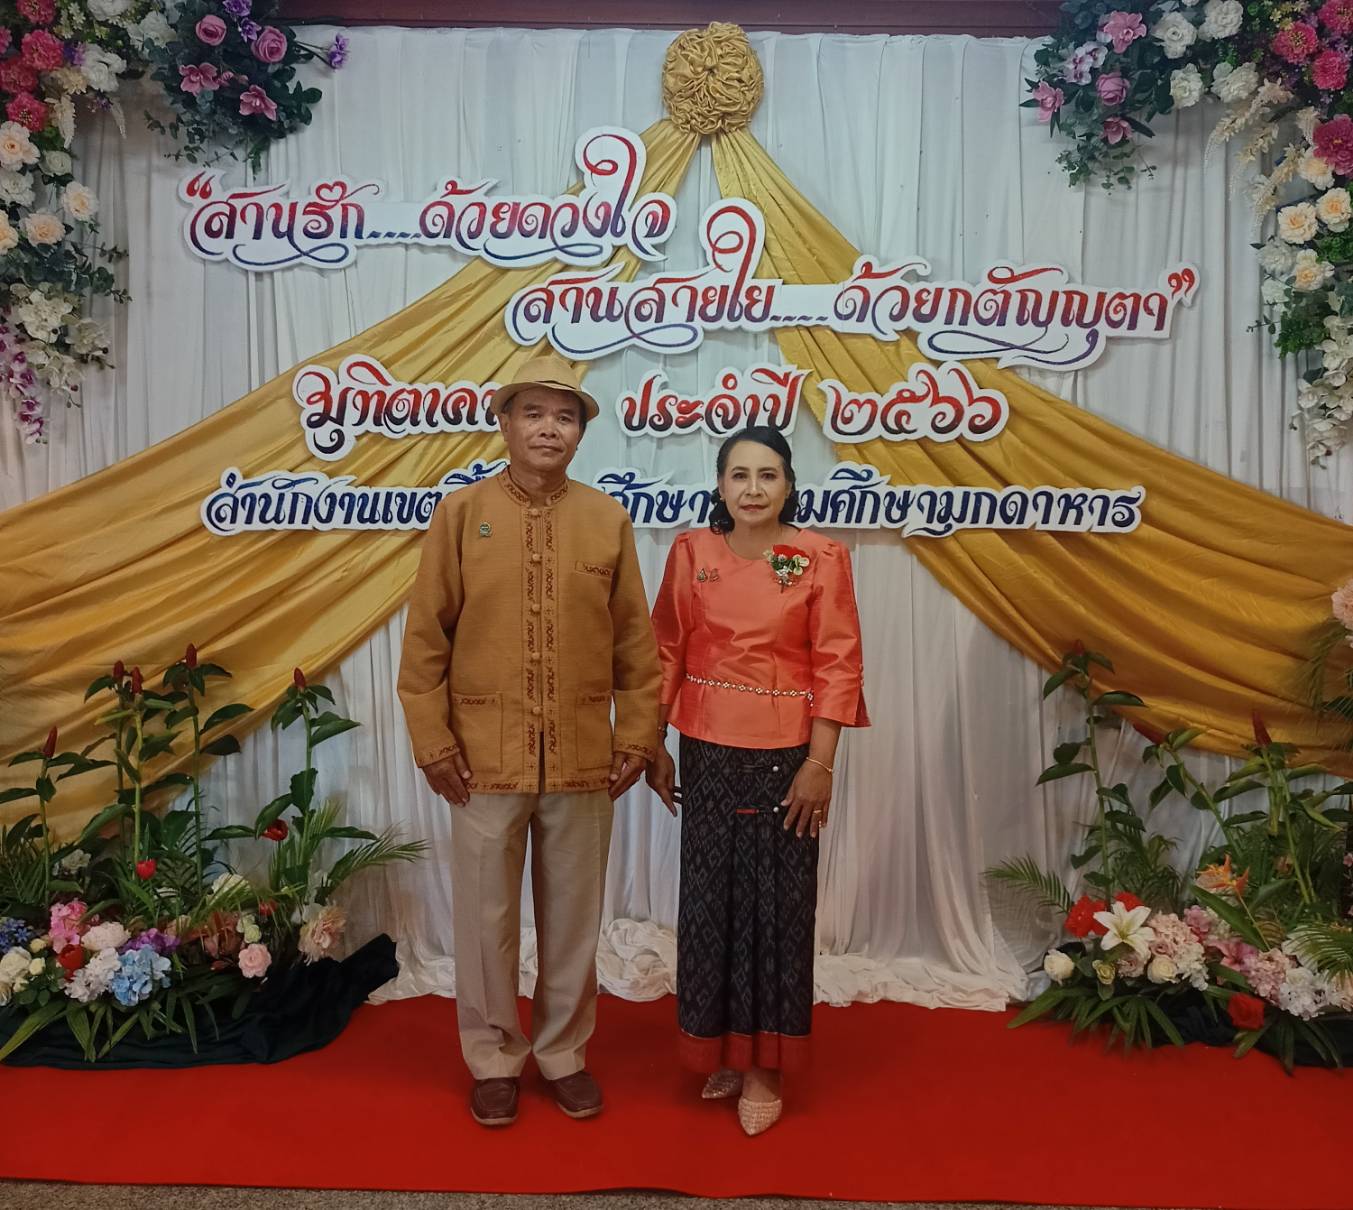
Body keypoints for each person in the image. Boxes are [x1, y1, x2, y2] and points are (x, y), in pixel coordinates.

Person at [398, 352, 661, 1128]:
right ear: (505, 423)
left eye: (565, 416)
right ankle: (491, 1056)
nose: (550, 428)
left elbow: (634, 644)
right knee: (484, 922)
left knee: (573, 918)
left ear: (581, 432)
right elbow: (425, 642)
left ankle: (563, 1053)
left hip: (582, 754)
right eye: (534, 413)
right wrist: (432, 740)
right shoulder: (462, 514)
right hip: (481, 757)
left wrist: (637, 735)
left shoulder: (606, 520)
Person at [647, 425, 869, 1136]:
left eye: (767, 475)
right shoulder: (692, 552)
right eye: (738, 475)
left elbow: (838, 664)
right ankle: (721, 1046)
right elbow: (666, 649)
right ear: (719, 485)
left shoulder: (820, 557)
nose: (751, 489)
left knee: (776, 910)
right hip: (705, 750)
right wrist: (651, 742)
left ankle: (766, 1066)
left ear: (788, 485)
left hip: (786, 757)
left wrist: (820, 764)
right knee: (709, 904)